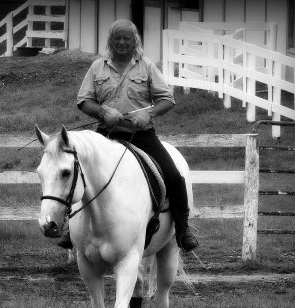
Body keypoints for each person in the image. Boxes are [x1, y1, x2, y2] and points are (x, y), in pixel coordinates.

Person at [58, 19, 198, 252]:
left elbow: (167, 100)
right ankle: (70, 229)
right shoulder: (97, 67)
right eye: (117, 38)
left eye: (127, 38)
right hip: (106, 136)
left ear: (135, 41)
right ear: (110, 42)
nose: (122, 43)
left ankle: (183, 230)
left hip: (141, 135)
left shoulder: (147, 66)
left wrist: (149, 113)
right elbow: (84, 101)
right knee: (80, 175)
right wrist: (103, 110)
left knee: (174, 176)